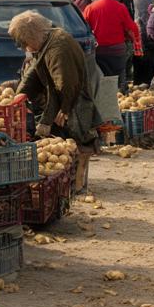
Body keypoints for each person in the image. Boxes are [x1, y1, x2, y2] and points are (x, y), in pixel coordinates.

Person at [10, 11, 104, 193]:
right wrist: (21, 93)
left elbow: (65, 83)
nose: (25, 48)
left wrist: (65, 109)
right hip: (62, 98)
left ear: (31, 36)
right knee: (63, 140)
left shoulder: (58, 47)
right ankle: (69, 184)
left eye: (25, 43)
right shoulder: (47, 41)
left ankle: (76, 185)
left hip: (74, 99)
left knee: (76, 138)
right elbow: (35, 71)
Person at [83, 0, 140, 91]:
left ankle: (106, 99)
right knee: (120, 75)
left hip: (99, 49)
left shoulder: (90, 8)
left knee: (102, 77)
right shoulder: (120, 7)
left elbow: (85, 28)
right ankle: (122, 96)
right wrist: (136, 45)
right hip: (117, 49)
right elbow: (131, 27)